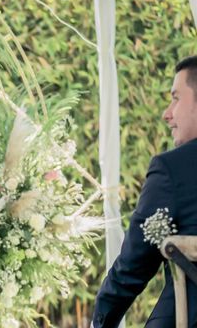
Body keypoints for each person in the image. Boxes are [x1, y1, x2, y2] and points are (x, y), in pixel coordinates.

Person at [93, 56, 197, 327]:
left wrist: (101, 321)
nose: (167, 113)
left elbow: (132, 266)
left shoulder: (173, 170)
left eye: (176, 98)